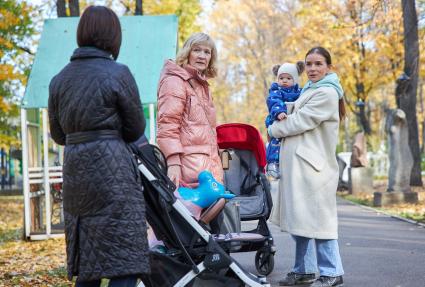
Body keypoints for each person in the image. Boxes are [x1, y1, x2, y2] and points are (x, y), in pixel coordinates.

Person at [48, 6, 149, 287]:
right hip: (113, 172)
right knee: (124, 262)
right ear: (113, 36)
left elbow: (58, 134)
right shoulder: (118, 73)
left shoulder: (59, 80)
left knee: (88, 261)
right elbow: (135, 129)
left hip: (77, 173)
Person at [268, 47, 345, 287]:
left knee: (320, 222)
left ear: (328, 67)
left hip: (314, 169)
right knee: (300, 221)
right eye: (309, 64)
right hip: (301, 168)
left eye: (318, 63)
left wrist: (272, 129)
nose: (312, 68)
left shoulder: (327, 93)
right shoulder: (309, 90)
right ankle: (304, 270)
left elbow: (300, 121)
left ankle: (332, 272)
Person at [156, 32, 223, 187]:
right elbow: (167, 126)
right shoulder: (175, 81)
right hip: (188, 171)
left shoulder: (202, 86)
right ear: (187, 53)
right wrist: (173, 163)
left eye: (207, 52)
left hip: (207, 169)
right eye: (197, 50)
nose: (202, 56)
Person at [265, 62, 304, 179]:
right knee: (275, 142)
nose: (284, 81)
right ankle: (272, 163)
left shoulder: (300, 92)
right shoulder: (276, 91)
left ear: (295, 79)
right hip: (278, 119)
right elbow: (274, 102)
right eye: (281, 78)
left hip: (291, 122)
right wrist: (279, 112)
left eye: (288, 78)